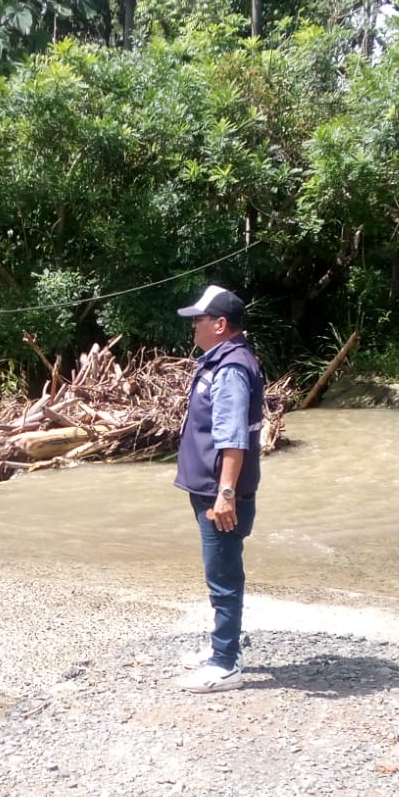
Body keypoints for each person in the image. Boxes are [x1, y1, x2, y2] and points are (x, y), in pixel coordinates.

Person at [173, 284, 264, 693]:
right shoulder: (221, 361)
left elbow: (233, 438)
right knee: (220, 571)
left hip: (220, 492)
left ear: (221, 324)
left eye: (199, 320)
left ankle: (225, 663)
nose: (194, 326)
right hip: (211, 487)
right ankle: (222, 647)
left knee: (223, 575)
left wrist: (226, 493)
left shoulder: (231, 368)